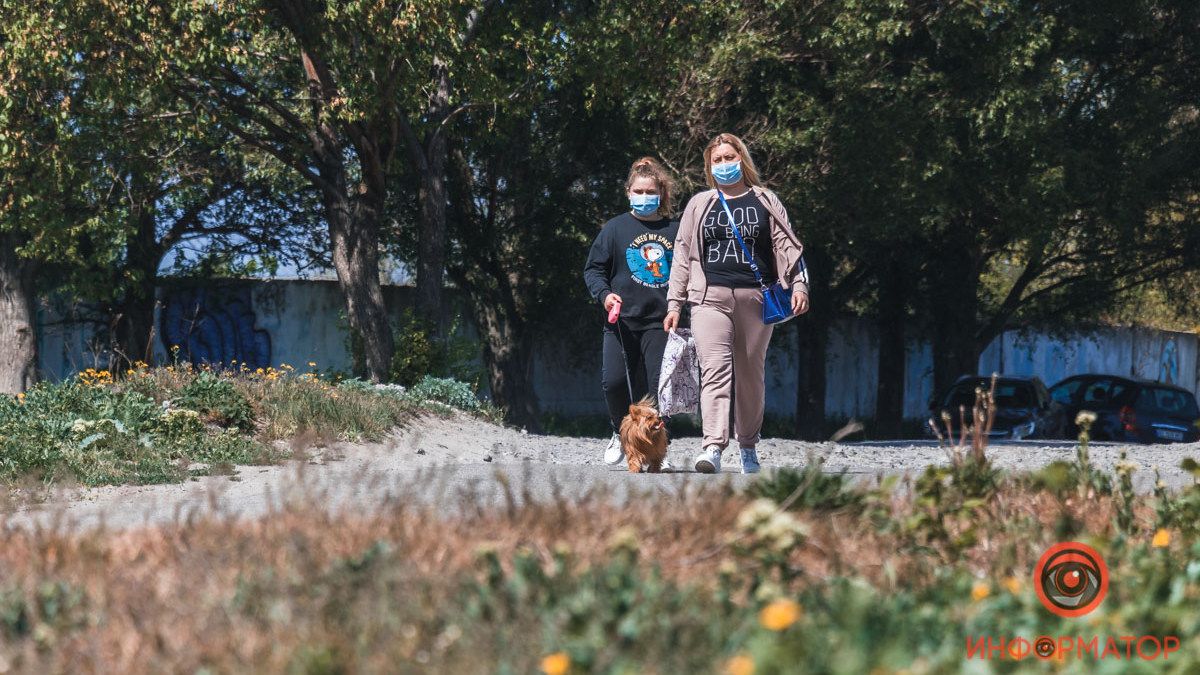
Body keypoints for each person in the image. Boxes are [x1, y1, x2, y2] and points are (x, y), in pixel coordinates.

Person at [664, 133, 809, 473]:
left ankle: (748, 447)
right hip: (708, 298)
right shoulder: (700, 204)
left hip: (757, 300)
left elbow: (787, 245)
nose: (724, 164)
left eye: (730, 157)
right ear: (709, 166)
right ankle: (712, 446)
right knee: (714, 370)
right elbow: (682, 255)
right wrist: (674, 304)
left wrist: (800, 283)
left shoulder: (765, 199)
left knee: (750, 375)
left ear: (741, 159)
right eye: (717, 160)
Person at [583, 157, 680, 465]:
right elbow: (594, 270)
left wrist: (678, 306)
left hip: (660, 322)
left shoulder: (675, 230)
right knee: (613, 382)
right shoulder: (614, 229)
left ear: (661, 193)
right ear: (627, 192)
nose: (643, 196)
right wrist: (605, 295)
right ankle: (618, 432)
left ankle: (658, 448)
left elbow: (688, 271)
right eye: (637, 191)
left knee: (658, 389)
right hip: (620, 321)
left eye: (650, 191)